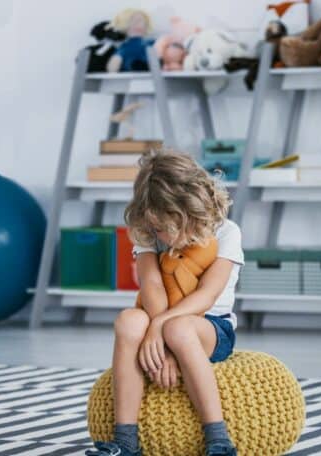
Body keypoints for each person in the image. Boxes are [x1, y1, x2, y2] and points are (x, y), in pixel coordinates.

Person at [86, 151, 244, 456]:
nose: (161, 236)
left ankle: (219, 441)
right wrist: (156, 329)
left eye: (167, 228)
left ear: (190, 212)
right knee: (128, 321)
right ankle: (125, 443)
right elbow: (152, 284)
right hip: (160, 319)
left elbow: (208, 295)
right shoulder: (148, 229)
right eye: (156, 228)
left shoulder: (226, 232)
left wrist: (161, 328)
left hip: (210, 326)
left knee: (179, 328)